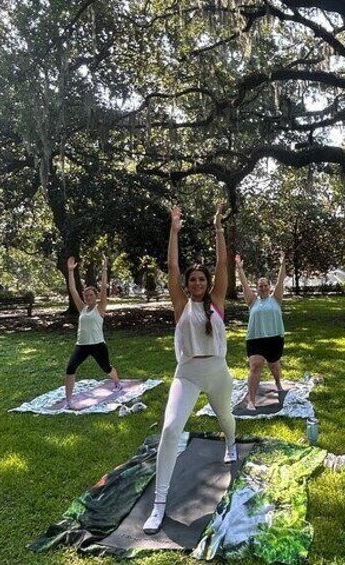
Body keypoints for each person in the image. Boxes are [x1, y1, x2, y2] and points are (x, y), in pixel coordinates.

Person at [143, 203, 237, 535]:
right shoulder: (180, 304)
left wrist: (218, 227)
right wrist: (173, 229)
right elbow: (171, 264)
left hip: (218, 371)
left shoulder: (217, 302)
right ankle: (159, 505)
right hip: (187, 373)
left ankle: (231, 444)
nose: (197, 282)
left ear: (208, 283)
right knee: (170, 430)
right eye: (192, 279)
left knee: (226, 417)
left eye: (202, 279)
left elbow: (223, 262)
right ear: (187, 284)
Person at [64, 256, 120, 408]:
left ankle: (117, 382)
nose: (88, 297)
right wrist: (70, 271)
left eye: (91, 295)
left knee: (106, 368)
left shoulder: (100, 308)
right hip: (81, 345)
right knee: (70, 368)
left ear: (96, 297)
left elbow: (103, 287)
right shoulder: (82, 308)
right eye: (86, 295)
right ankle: (68, 401)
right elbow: (72, 289)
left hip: (98, 345)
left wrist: (104, 268)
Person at [235, 252, 286, 410]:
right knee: (255, 366)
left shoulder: (276, 299)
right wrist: (239, 268)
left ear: (269, 288)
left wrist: (283, 263)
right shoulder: (252, 301)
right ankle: (251, 400)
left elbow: (280, 280)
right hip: (255, 339)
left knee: (274, 365)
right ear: (257, 288)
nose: (263, 288)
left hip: (274, 339)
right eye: (260, 286)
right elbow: (244, 284)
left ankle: (277, 382)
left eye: (265, 285)